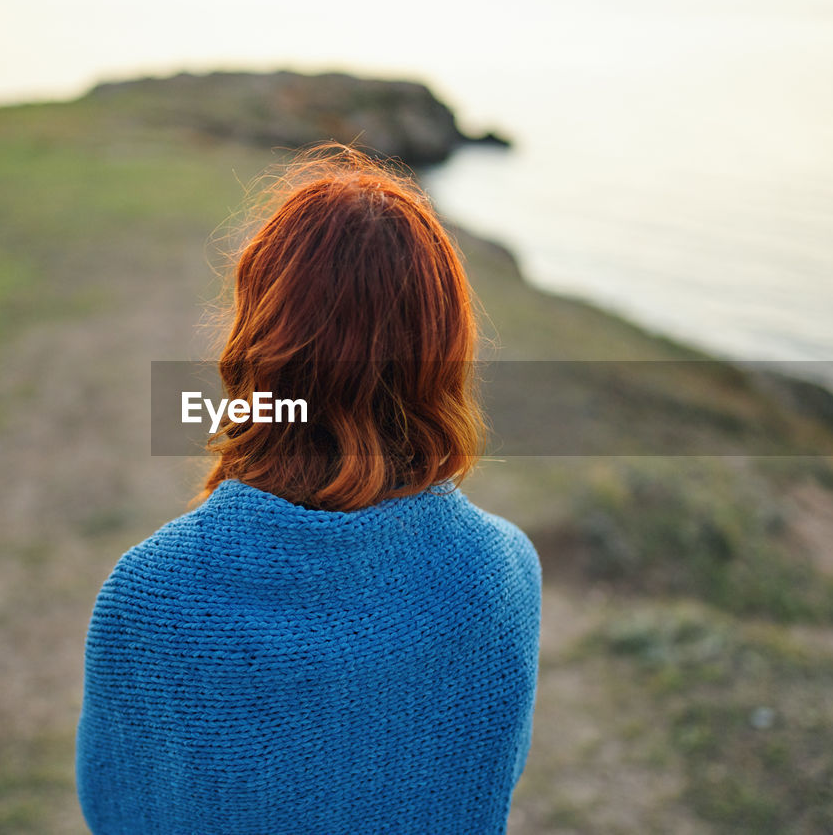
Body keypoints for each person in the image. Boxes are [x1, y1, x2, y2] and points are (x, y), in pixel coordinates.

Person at [75, 145, 542, 834]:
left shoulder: (148, 596)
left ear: (260, 345)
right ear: (444, 353)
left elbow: (116, 808)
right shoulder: (506, 574)